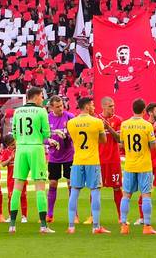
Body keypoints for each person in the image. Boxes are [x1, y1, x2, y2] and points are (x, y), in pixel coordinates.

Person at [8, 86, 52, 233]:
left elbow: (14, 132)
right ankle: (43, 226)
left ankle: (12, 225)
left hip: (21, 149)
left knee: (17, 187)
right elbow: (46, 133)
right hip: (35, 148)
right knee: (40, 187)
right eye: (41, 97)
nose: (42, 99)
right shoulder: (41, 111)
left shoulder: (17, 111)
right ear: (36, 96)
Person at [66, 96, 108, 234]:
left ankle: (71, 226)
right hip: (92, 161)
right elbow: (103, 140)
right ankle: (96, 226)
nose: (94, 107)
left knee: (74, 192)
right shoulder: (97, 122)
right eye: (92, 105)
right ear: (87, 106)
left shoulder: (71, 123)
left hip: (78, 160)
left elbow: (74, 139)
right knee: (95, 191)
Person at [118, 98, 156, 235]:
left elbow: (122, 144)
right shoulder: (147, 125)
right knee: (146, 195)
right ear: (144, 110)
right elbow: (153, 145)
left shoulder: (124, 125)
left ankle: (124, 225)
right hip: (144, 165)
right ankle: (147, 226)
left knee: (126, 195)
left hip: (130, 165)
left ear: (132, 109)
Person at [45, 95, 73, 223]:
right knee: (52, 183)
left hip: (69, 156)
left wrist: (67, 137)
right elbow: (42, 136)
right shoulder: (47, 119)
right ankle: (50, 214)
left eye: (61, 105)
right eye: (57, 107)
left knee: (71, 184)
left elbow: (75, 135)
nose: (61, 108)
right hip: (54, 156)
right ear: (51, 107)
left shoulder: (70, 117)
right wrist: (49, 141)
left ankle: (74, 214)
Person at [98, 97, 124, 220]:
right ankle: (93, 217)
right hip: (99, 159)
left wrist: (108, 128)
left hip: (114, 160)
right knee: (95, 188)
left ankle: (121, 216)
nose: (113, 108)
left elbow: (119, 138)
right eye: (110, 106)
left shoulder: (118, 120)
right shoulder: (96, 120)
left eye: (113, 105)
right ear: (103, 106)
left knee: (117, 187)